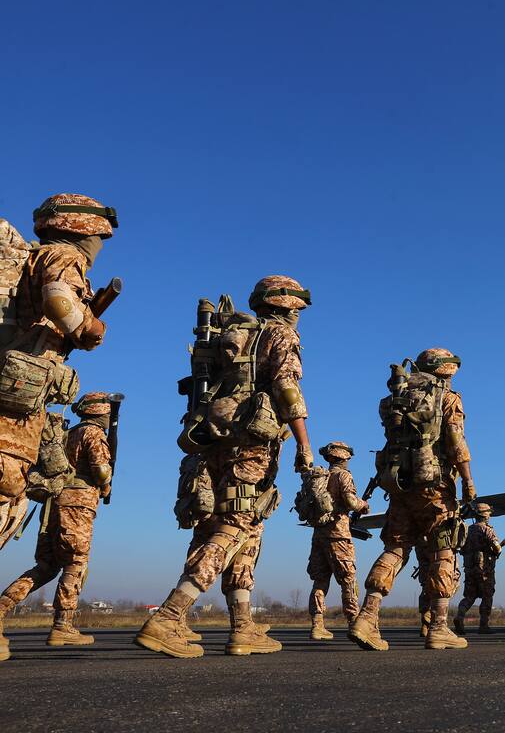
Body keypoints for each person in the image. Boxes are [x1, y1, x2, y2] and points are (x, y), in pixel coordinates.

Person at [135, 275, 312, 659]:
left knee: (232, 529)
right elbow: (286, 389)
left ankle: (243, 626)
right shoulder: (279, 334)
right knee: (238, 526)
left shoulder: (226, 338)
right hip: (251, 443)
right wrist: (304, 443)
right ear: (287, 304)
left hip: (213, 440)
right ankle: (168, 616)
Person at [0, 195, 118, 551]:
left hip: (15, 399)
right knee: (7, 497)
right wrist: (90, 327)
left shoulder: (29, 261)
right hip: (12, 412)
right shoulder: (63, 256)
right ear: (85, 229)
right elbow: (58, 300)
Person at [352, 348, 475, 652]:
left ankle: (366, 617)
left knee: (395, 547)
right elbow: (457, 442)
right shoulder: (446, 397)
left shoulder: (399, 397)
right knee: (443, 550)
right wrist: (469, 481)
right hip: (435, 486)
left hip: (399, 485)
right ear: (444, 369)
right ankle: (439, 627)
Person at [0, 392, 114, 659]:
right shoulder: (93, 434)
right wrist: (107, 483)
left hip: (52, 506)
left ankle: (2, 607)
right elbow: (100, 470)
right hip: (77, 507)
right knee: (76, 563)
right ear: (102, 412)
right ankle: (63, 625)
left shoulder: (65, 434)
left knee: (46, 567)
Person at [306, 442, 369, 640]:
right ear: (344, 458)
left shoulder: (320, 477)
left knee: (320, 580)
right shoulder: (343, 476)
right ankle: (354, 623)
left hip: (319, 534)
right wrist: (363, 505)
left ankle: (317, 625)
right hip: (339, 535)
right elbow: (350, 502)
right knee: (348, 580)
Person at [455, 502, 504, 634]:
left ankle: (460, 616)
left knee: (469, 596)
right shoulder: (487, 529)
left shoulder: (468, 530)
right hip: (485, 569)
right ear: (486, 515)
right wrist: (497, 551)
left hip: (469, 568)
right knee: (487, 595)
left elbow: (462, 548)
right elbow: (497, 547)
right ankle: (483, 625)